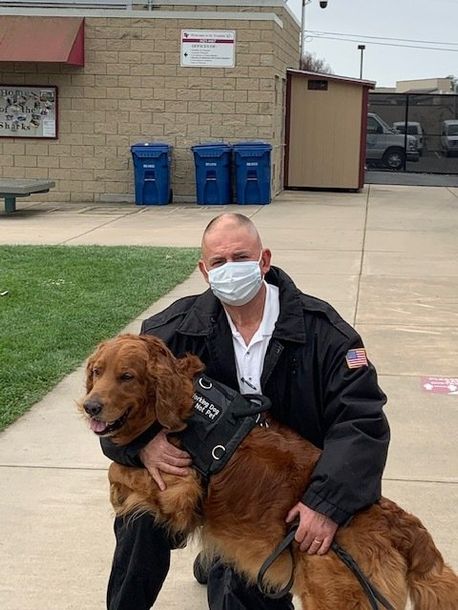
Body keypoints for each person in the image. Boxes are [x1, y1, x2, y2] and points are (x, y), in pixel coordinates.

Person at [100, 212, 390, 610]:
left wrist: (327, 503)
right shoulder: (170, 332)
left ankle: (217, 558)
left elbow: (362, 422)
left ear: (264, 261)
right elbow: (112, 409)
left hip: (275, 490)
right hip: (197, 477)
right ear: (204, 271)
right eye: (219, 262)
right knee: (138, 521)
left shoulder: (326, 334)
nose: (230, 269)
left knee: (239, 583)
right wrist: (143, 447)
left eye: (241, 257)